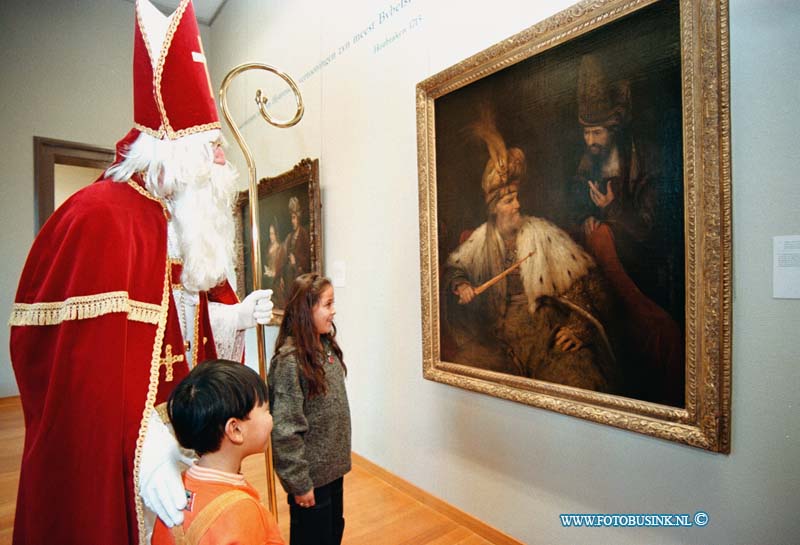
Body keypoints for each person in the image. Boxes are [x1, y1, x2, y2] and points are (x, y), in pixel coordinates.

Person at [8, 1, 273, 544]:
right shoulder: (99, 218)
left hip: (185, 444)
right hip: (131, 459)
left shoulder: (185, 227)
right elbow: (80, 381)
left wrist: (234, 318)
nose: (222, 164)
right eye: (210, 152)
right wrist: (145, 450)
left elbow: (189, 335)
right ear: (172, 157)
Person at [442, 110, 621, 393]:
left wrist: (578, 328)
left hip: (545, 336)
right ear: (494, 208)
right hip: (499, 341)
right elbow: (455, 268)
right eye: (509, 200)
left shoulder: (542, 233)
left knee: (581, 382)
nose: (516, 206)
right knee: (463, 380)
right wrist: (461, 284)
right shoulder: (480, 240)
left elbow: (593, 283)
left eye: (516, 197)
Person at [566, 54, 684, 405]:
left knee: (659, 332)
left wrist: (611, 210)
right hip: (601, 266)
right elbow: (574, 208)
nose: (590, 140)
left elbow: (652, 231)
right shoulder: (588, 161)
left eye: (597, 131)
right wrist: (585, 220)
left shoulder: (643, 160)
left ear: (613, 130)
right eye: (586, 132)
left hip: (641, 267)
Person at [151, 360, 284, 545]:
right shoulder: (243, 510)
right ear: (235, 430)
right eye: (266, 410)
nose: (271, 417)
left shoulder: (175, 490)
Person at [269, 273, 351, 545]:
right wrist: (299, 482)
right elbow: (285, 429)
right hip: (310, 477)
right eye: (327, 304)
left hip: (331, 470)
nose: (334, 311)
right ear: (307, 310)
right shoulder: (290, 362)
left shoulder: (325, 345)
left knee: (332, 532)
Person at [281, 197, 311, 288]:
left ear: (298, 218)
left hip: (300, 278)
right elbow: (285, 259)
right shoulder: (290, 237)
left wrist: (295, 262)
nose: (292, 221)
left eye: (294, 218)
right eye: (291, 218)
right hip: (290, 278)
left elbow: (308, 260)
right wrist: (282, 277)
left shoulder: (304, 234)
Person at [264, 219, 287, 308]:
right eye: (270, 234)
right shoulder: (269, 246)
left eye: (272, 234)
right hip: (269, 277)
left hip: (276, 278)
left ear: (276, 234)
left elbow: (281, 266)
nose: (271, 236)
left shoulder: (280, 248)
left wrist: (274, 273)